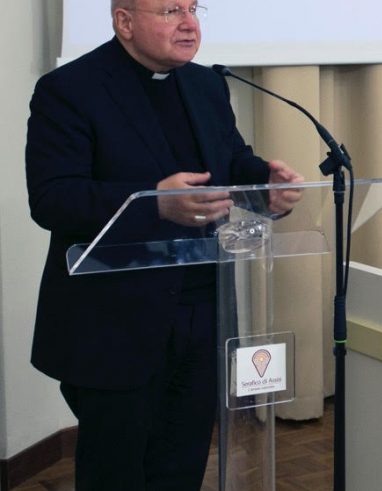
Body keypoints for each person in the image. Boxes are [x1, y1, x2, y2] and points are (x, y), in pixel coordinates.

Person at [25, 1, 303, 489]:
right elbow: (53, 199)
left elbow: (229, 162)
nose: (189, 23)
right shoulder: (69, 90)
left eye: (194, 8)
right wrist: (155, 204)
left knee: (182, 467)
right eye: (171, 10)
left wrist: (264, 186)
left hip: (203, 314)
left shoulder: (206, 84)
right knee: (114, 474)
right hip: (114, 322)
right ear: (124, 22)